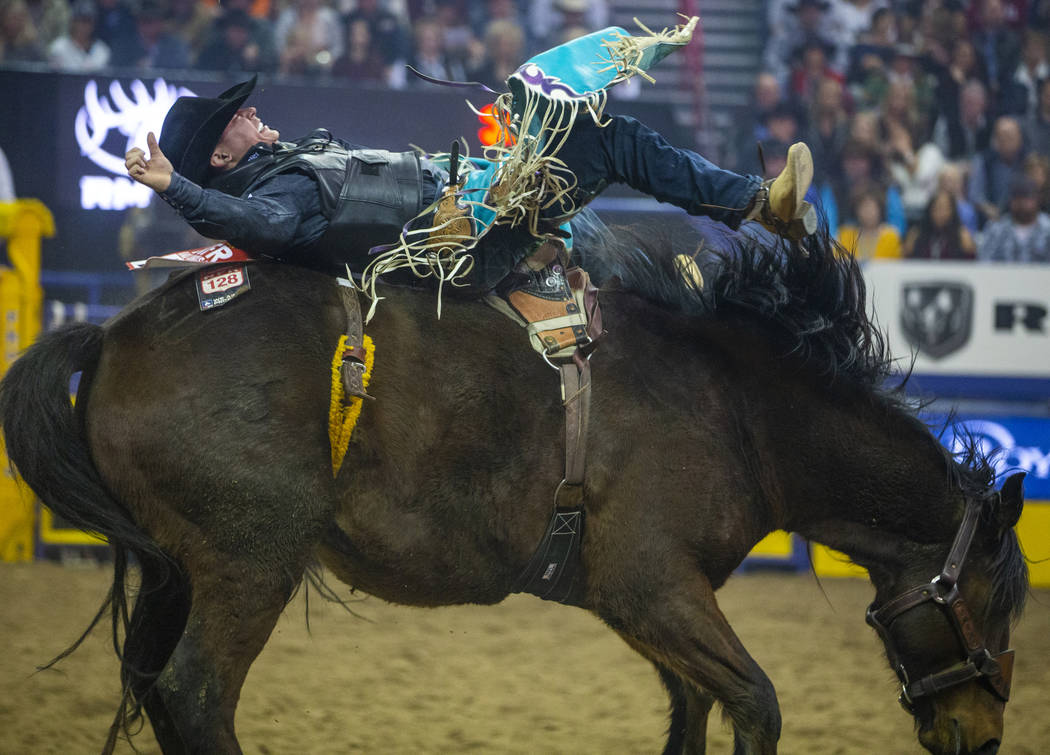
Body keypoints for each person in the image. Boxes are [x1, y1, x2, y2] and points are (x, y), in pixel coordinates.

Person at [125, 37, 816, 295]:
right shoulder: (279, 199)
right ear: (220, 155)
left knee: (589, 172)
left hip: (474, 207)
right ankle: (758, 207)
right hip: (465, 248)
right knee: (604, 141)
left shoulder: (284, 166)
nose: (250, 114)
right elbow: (255, 223)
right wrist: (176, 188)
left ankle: (719, 248)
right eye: (235, 120)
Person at [978, 177, 1050, 262]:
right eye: (1017, 198)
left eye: (1027, 198)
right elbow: (984, 263)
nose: (1022, 203)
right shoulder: (996, 229)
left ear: (1037, 199)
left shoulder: (1047, 229)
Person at [902, 189, 977, 259]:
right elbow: (905, 258)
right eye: (937, 208)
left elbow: (972, 262)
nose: (940, 213)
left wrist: (969, 247)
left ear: (952, 211)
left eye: (945, 209)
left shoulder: (961, 234)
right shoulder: (916, 233)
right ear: (930, 209)